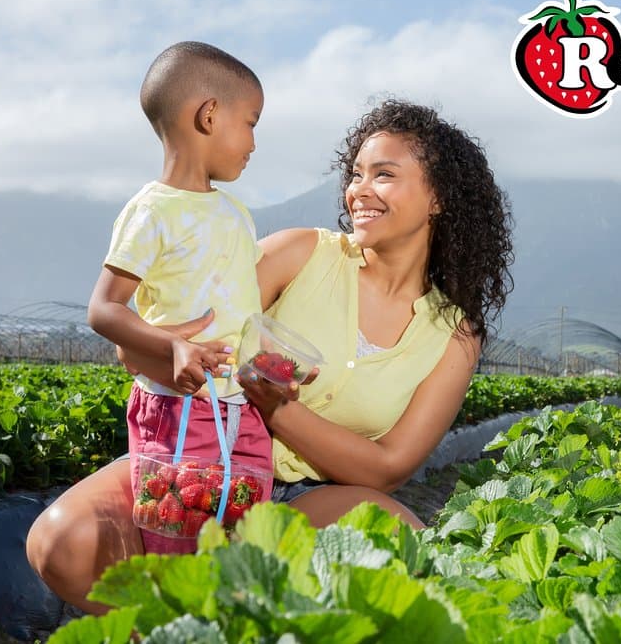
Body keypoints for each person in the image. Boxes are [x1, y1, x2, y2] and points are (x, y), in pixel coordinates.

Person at [26, 99, 514, 614]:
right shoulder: (301, 253)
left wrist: (277, 409)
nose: (359, 190)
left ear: (438, 197)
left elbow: (388, 468)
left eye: (384, 175)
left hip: (310, 495)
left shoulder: (454, 336)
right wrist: (163, 349)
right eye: (356, 174)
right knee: (63, 542)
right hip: (202, 458)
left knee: (407, 561)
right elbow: (148, 345)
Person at [85, 41, 272, 556]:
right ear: (209, 115)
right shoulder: (152, 212)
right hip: (177, 410)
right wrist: (173, 345)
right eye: (251, 123)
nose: (254, 142)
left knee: (241, 543)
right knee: (175, 542)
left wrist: (271, 365)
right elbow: (103, 308)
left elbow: (240, 312)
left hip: (240, 410)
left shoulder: (236, 214)